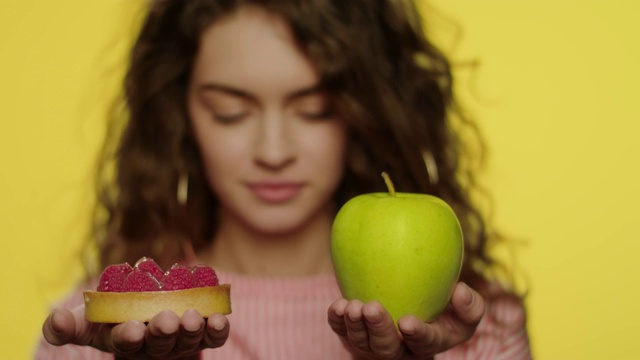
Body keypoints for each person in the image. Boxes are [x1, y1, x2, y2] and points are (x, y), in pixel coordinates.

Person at [37, 0, 530, 359]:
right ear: (180, 115)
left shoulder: (476, 327)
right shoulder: (97, 332)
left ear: (365, 114)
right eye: (230, 112)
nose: (274, 152)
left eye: (315, 111)